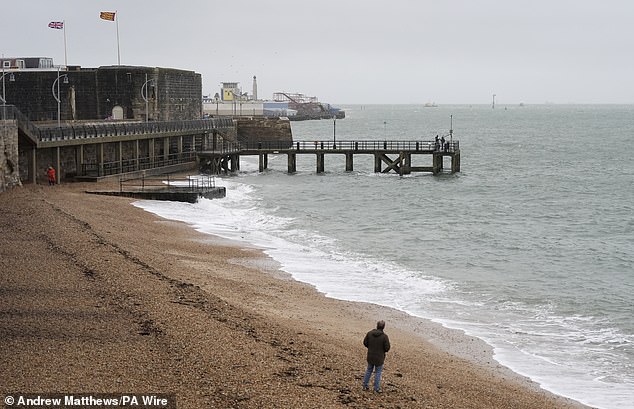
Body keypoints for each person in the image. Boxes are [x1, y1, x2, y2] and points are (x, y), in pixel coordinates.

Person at [362, 320, 391, 393]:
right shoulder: (384, 337)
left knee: (369, 370)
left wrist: (370, 347)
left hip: (370, 355)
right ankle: (376, 389)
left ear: (377, 326)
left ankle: (365, 385)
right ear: (383, 327)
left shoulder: (370, 333)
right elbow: (387, 348)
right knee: (378, 372)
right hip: (379, 358)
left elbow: (365, 343)